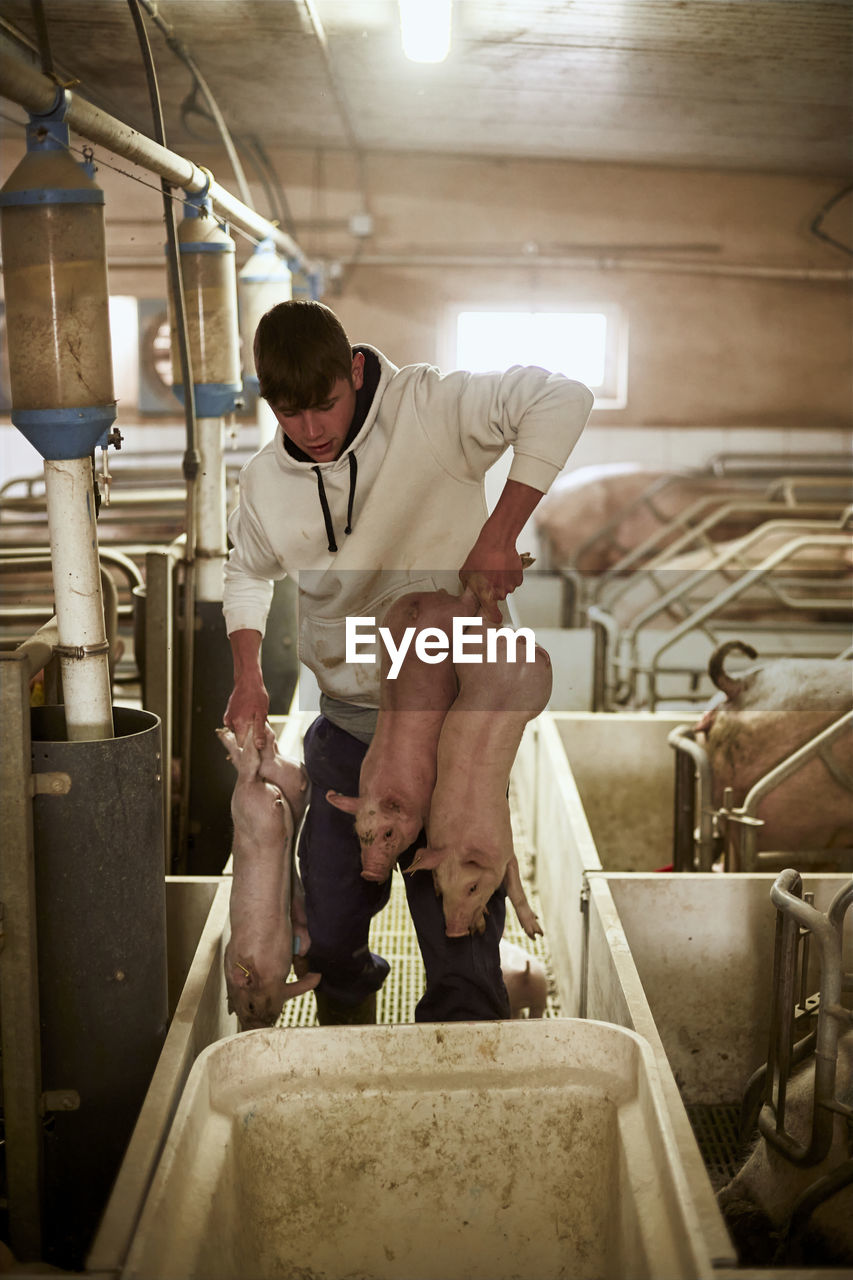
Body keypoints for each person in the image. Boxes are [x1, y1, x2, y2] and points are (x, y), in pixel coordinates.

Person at [222, 300, 593, 1025]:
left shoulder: (431, 409)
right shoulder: (266, 482)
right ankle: (348, 1019)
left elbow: (562, 396)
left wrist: (498, 531)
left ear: (354, 372)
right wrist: (246, 673)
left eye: (325, 405)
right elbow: (246, 572)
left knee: (457, 913)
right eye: (290, 414)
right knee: (329, 914)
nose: (312, 430)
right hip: (347, 719)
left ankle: (464, 1047)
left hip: (451, 726)